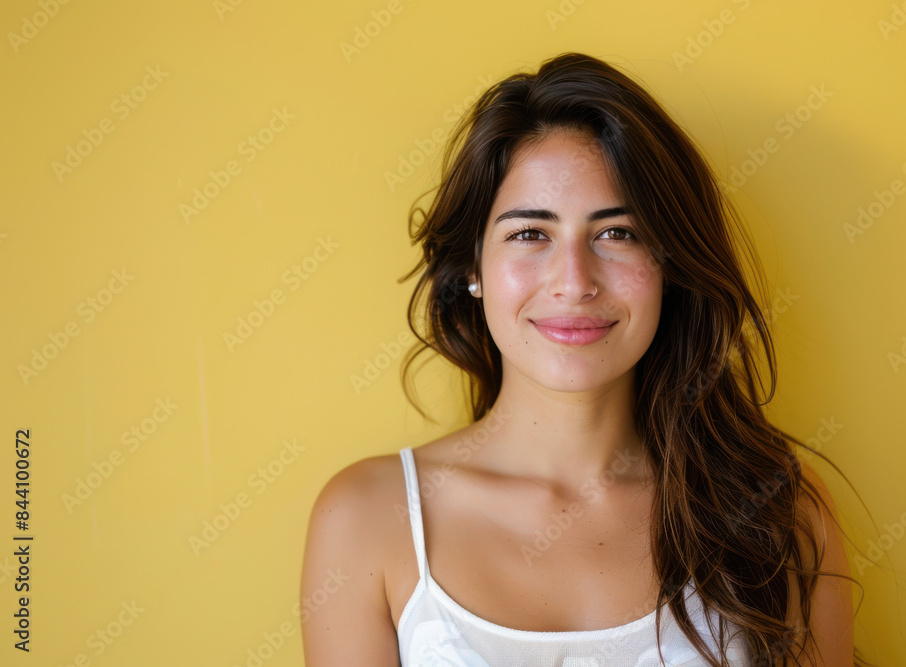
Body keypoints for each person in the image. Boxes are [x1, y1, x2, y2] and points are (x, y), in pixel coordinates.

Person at [301, 52, 868, 666]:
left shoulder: (780, 512)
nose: (574, 282)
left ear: (669, 265)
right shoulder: (365, 519)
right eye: (529, 233)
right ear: (473, 269)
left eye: (616, 233)